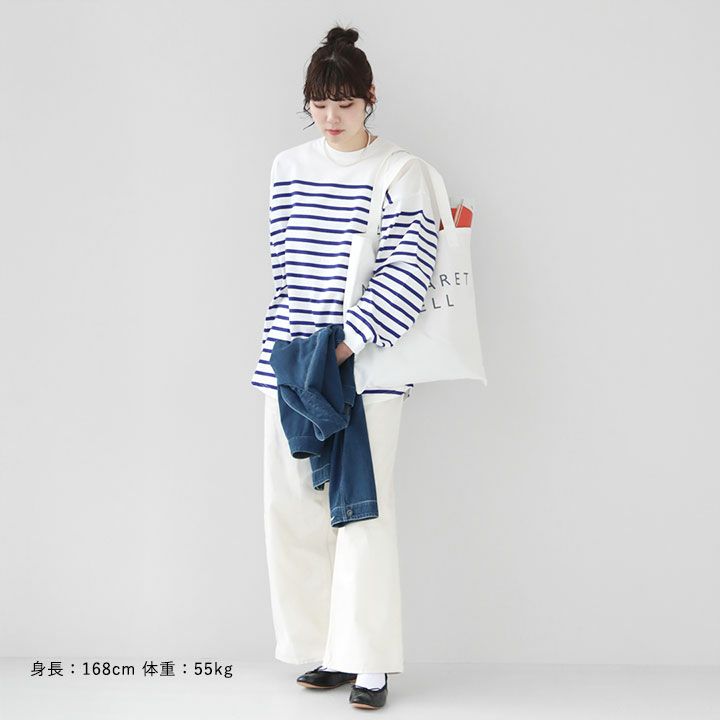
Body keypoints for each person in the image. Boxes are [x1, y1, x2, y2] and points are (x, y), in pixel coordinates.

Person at [251, 25, 439, 710]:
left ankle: (370, 661)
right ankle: (328, 648)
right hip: (292, 363)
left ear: (370, 97)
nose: (331, 119)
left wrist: (344, 345)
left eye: (345, 104)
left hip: (365, 367)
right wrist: (294, 357)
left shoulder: (401, 172)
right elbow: (286, 271)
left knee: (360, 511)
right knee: (293, 509)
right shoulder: (288, 166)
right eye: (319, 104)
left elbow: (412, 269)